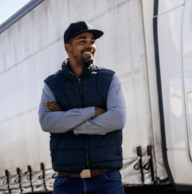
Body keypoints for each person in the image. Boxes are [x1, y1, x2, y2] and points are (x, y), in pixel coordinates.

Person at [38, 21, 126, 194]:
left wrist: (68, 124)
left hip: (107, 181)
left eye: (92, 41)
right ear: (68, 47)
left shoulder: (109, 78)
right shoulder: (51, 84)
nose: (89, 45)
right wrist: (93, 111)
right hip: (67, 183)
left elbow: (117, 119)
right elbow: (47, 122)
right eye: (82, 41)